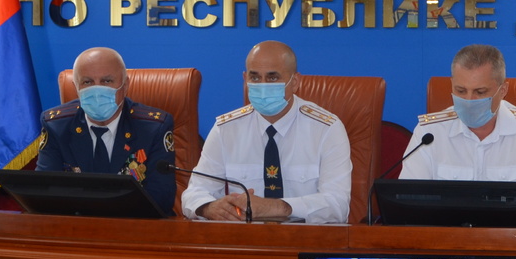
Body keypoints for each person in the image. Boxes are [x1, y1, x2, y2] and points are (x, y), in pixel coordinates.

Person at [182, 41, 351, 223]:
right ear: (245, 79)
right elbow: (194, 193)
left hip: (306, 237)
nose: (263, 86)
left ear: (294, 82)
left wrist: (275, 207)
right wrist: (209, 207)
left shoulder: (326, 129)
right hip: (243, 237)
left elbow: (337, 204)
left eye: (272, 78)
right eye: (255, 78)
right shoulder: (226, 129)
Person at [399, 44, 516, 226]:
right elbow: (406, 204)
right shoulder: (429, 133)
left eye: (480, 92)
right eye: (461, 91)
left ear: (502, 90)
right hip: (446, 240)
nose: (469, 100)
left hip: (506, 239)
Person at [36, 47, 176, 215]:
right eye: (87, 82)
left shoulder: (153, 127)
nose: (97, 90)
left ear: (125, 85)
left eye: (107, 81)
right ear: (76, 87)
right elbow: (43, 192)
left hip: (135, 225)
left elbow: (161, 199)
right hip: (75, 225)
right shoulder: (56, 125)